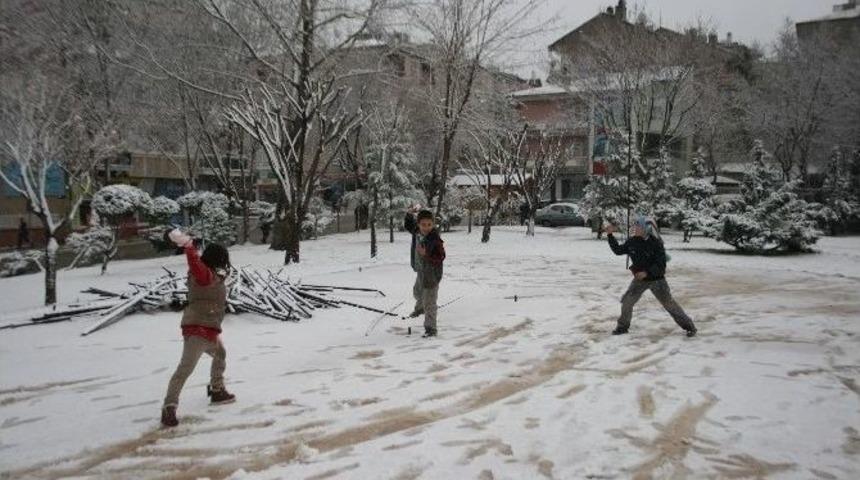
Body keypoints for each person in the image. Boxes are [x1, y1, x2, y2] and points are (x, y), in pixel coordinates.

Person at [161, 230, 236, 427]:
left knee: (220, 354)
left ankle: (217, 390)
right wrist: (188, 246)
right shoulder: (203, 274)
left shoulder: (211, 275)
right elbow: (194, 263)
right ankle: (169, 406)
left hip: (208, 329)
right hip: (198, 330)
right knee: (185, 368)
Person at [604, 216, 697, 338]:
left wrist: (647, 272)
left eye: (638, 226)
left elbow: (661, 265)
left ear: (646, 228)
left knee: (669, 304)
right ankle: (622, 327)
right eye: (634, 226)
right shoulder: (632, 241)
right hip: (639, 280)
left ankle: (689, 326)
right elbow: (618, 250)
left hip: (657, 280)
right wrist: (610, 235)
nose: (634, 228)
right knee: (627, 302)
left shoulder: (656, 243)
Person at [404, 207, 446, 337]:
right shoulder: (417, 232)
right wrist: (409, 214)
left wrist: (426, 254)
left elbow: (441, 257)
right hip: (421, 271)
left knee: (430, 302)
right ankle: (419, 308)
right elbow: (408, 225)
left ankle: (431, 329)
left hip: (432, 274)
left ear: (433, 224)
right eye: (423, 224)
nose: (426, 227)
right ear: (418, 224)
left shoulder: (434, 239)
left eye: (429, 225)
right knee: (417, 292)